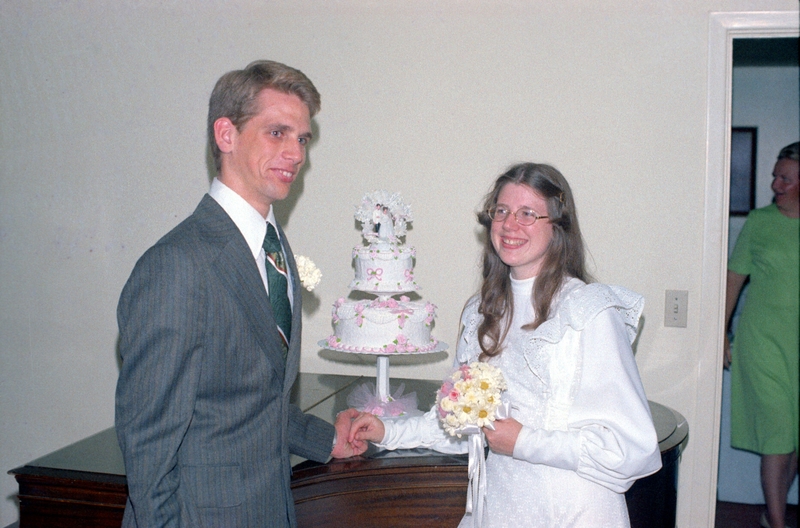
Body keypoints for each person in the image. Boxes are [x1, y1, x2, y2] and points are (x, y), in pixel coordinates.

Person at [115, 60, 365, 528]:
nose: (295, 153)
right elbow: (148, 443)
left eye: (302, 138)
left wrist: (323, 439)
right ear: (226, 135)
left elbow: (251, 399)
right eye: (277, 133)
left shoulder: (274, 247)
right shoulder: (177, 265)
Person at [349, 163, 662, 527]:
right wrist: (388, 431)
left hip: (573, 510)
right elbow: (462, 427)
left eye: (528, 214)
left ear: (558, 226)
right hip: (499, 507)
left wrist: (523, 442)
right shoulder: (480, 311)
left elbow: (630, 448)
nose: (510, 225)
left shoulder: (587, 311)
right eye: (502, 211)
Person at [724, 142, 799, 528]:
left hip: (796, 347)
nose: (775, 184)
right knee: (778, 434)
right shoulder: (759, 222)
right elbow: (734, 280)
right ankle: (778, 523)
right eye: (775, 176)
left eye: (785, 177)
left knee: (794, 437)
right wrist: (720, 333)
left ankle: (775, 515)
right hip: (762, 343)